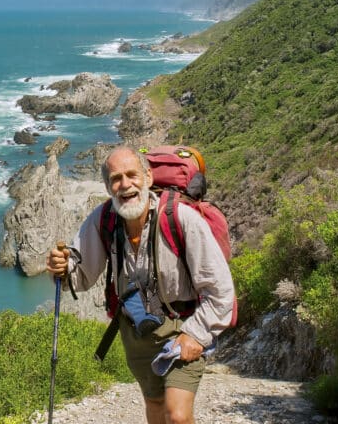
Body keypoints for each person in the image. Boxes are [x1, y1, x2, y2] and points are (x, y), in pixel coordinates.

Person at [46, 146, 235, 424]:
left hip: (181, 327)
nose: (125, 185)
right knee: (156, 406)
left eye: (132, 175)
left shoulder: (181, 218)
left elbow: (220, 289)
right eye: (115, 179)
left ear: (147, 176)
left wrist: (196, 334)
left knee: (178, 416)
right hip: (135, 332)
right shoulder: (104, 220)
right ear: (108, 186)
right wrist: (62, 268)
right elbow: (80, 275)